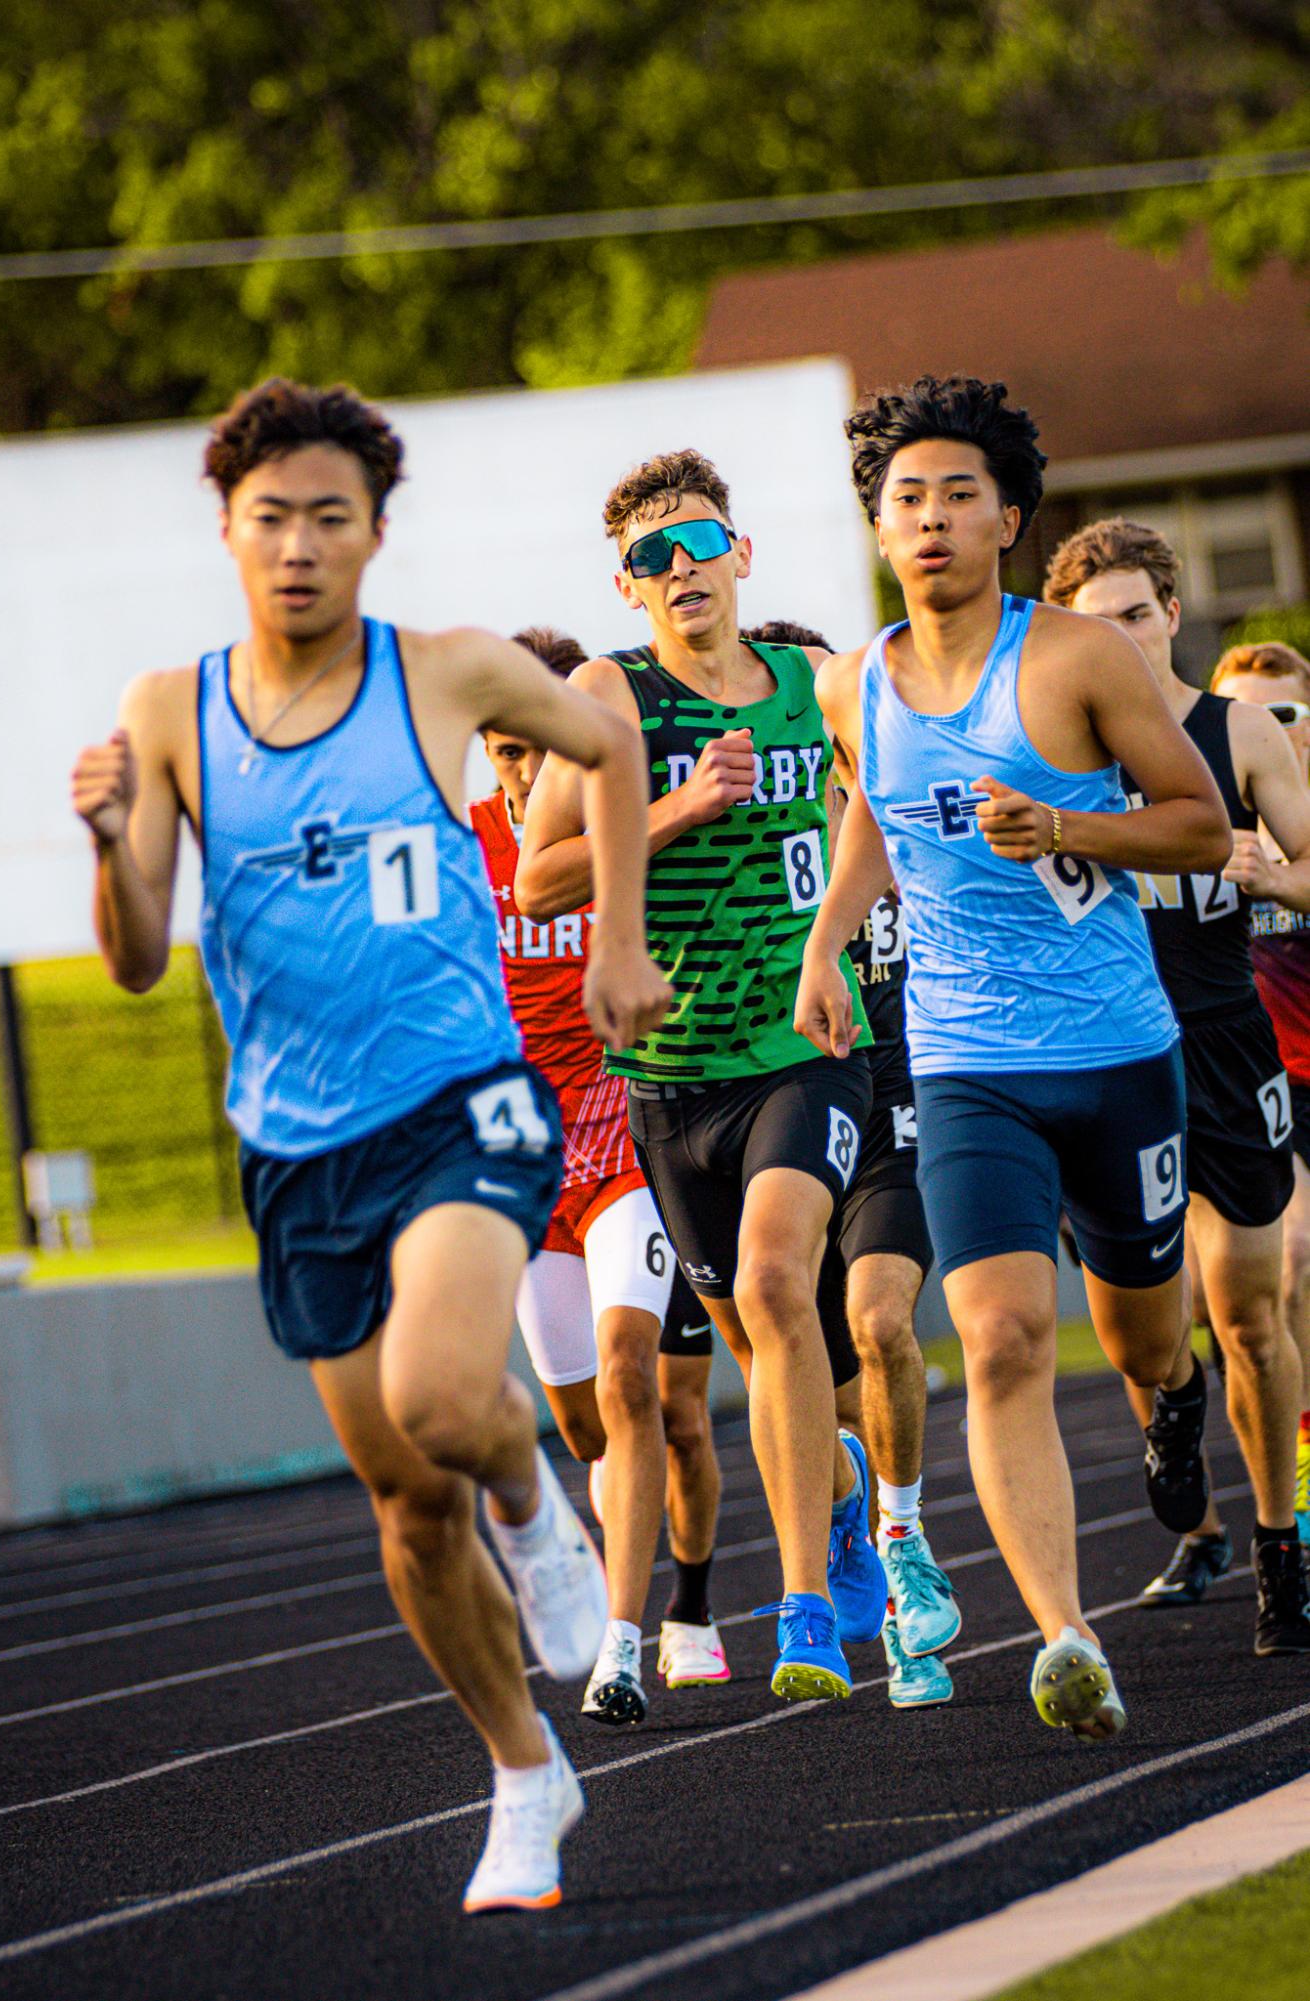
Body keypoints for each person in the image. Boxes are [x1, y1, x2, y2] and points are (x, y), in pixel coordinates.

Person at [69, 378, 671, 1914]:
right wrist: (105, 842)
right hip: (295, 1146)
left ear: (374, 534)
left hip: (461, 1101)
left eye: (328, 517)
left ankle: (538, 1515)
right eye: (269, 518)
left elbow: (606, 745)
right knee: (406, 1498)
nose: (297, 546)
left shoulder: (448, 673)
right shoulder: (169, 712)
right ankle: (528, 1775)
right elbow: (139, 958)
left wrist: (618, 941)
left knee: (441, 1397)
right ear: (227, 530)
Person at [796, 374, 1232, 1740]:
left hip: (1118, 1055)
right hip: (965, 1060)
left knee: (1140, 1336)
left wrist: (1067, 831)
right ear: (877, 527)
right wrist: (827, 940)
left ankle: (1174, 1397)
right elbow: (871, 812)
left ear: (1008, 519)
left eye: (955, 496)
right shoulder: (847, 682)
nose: (926, 519)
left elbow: (1199, 827)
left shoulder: (1074, 663)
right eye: (902, 498)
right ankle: (1063, 1632)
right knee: (995, 1338)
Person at [516, 451, 889, 1705]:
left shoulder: (811, 681)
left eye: (699, 543)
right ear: (625, 589)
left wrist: (829, 938)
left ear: (742, 557)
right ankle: (836, 1490)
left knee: (784, 1287)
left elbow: (879, 799)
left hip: (799, 1049)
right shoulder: (605, 697)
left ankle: (800, 1616)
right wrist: (672, 808)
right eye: (650, 558)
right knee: (741, 1332)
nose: (681, 570)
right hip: (669, 1083)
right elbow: (539, 878)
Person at [1044, 524, 1310, 1653]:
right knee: (1142, 1335)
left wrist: (1267, 870)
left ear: (1170, 613)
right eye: (1096, 621)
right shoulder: (1048, 749)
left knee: (1256, 1305)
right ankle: (1170, 1397)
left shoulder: (1234, 729)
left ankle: (1276, 1552)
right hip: (1103, 1050)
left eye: (1138, 614)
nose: (1122, 637)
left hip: (1222, 1040)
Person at [471, 624, 728, 1719]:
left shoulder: (623, 825)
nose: (525, 771)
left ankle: (654, 1626)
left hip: (626, 1120)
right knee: (581, 1427)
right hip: (521, 1156)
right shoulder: (459, 846)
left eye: (539, 745)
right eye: (504, 751)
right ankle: (620, 1573)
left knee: (642, 1386)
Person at [746, 621, 956, 1709]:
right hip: (785, 1104)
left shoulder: (904, 796)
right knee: (813, 1389)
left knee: (879, 1325)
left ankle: (905, 1541)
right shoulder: (743, 834)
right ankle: (847, 1524)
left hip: (898, 1099)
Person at [1211, 641, 1310, 1554]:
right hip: (1260, 1085)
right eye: (1246, 714)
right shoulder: (1207, 821)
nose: (1264, 732)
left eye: (1281, 714)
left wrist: (1281, 876)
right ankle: (1296, 1492)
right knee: (1290, 1263)